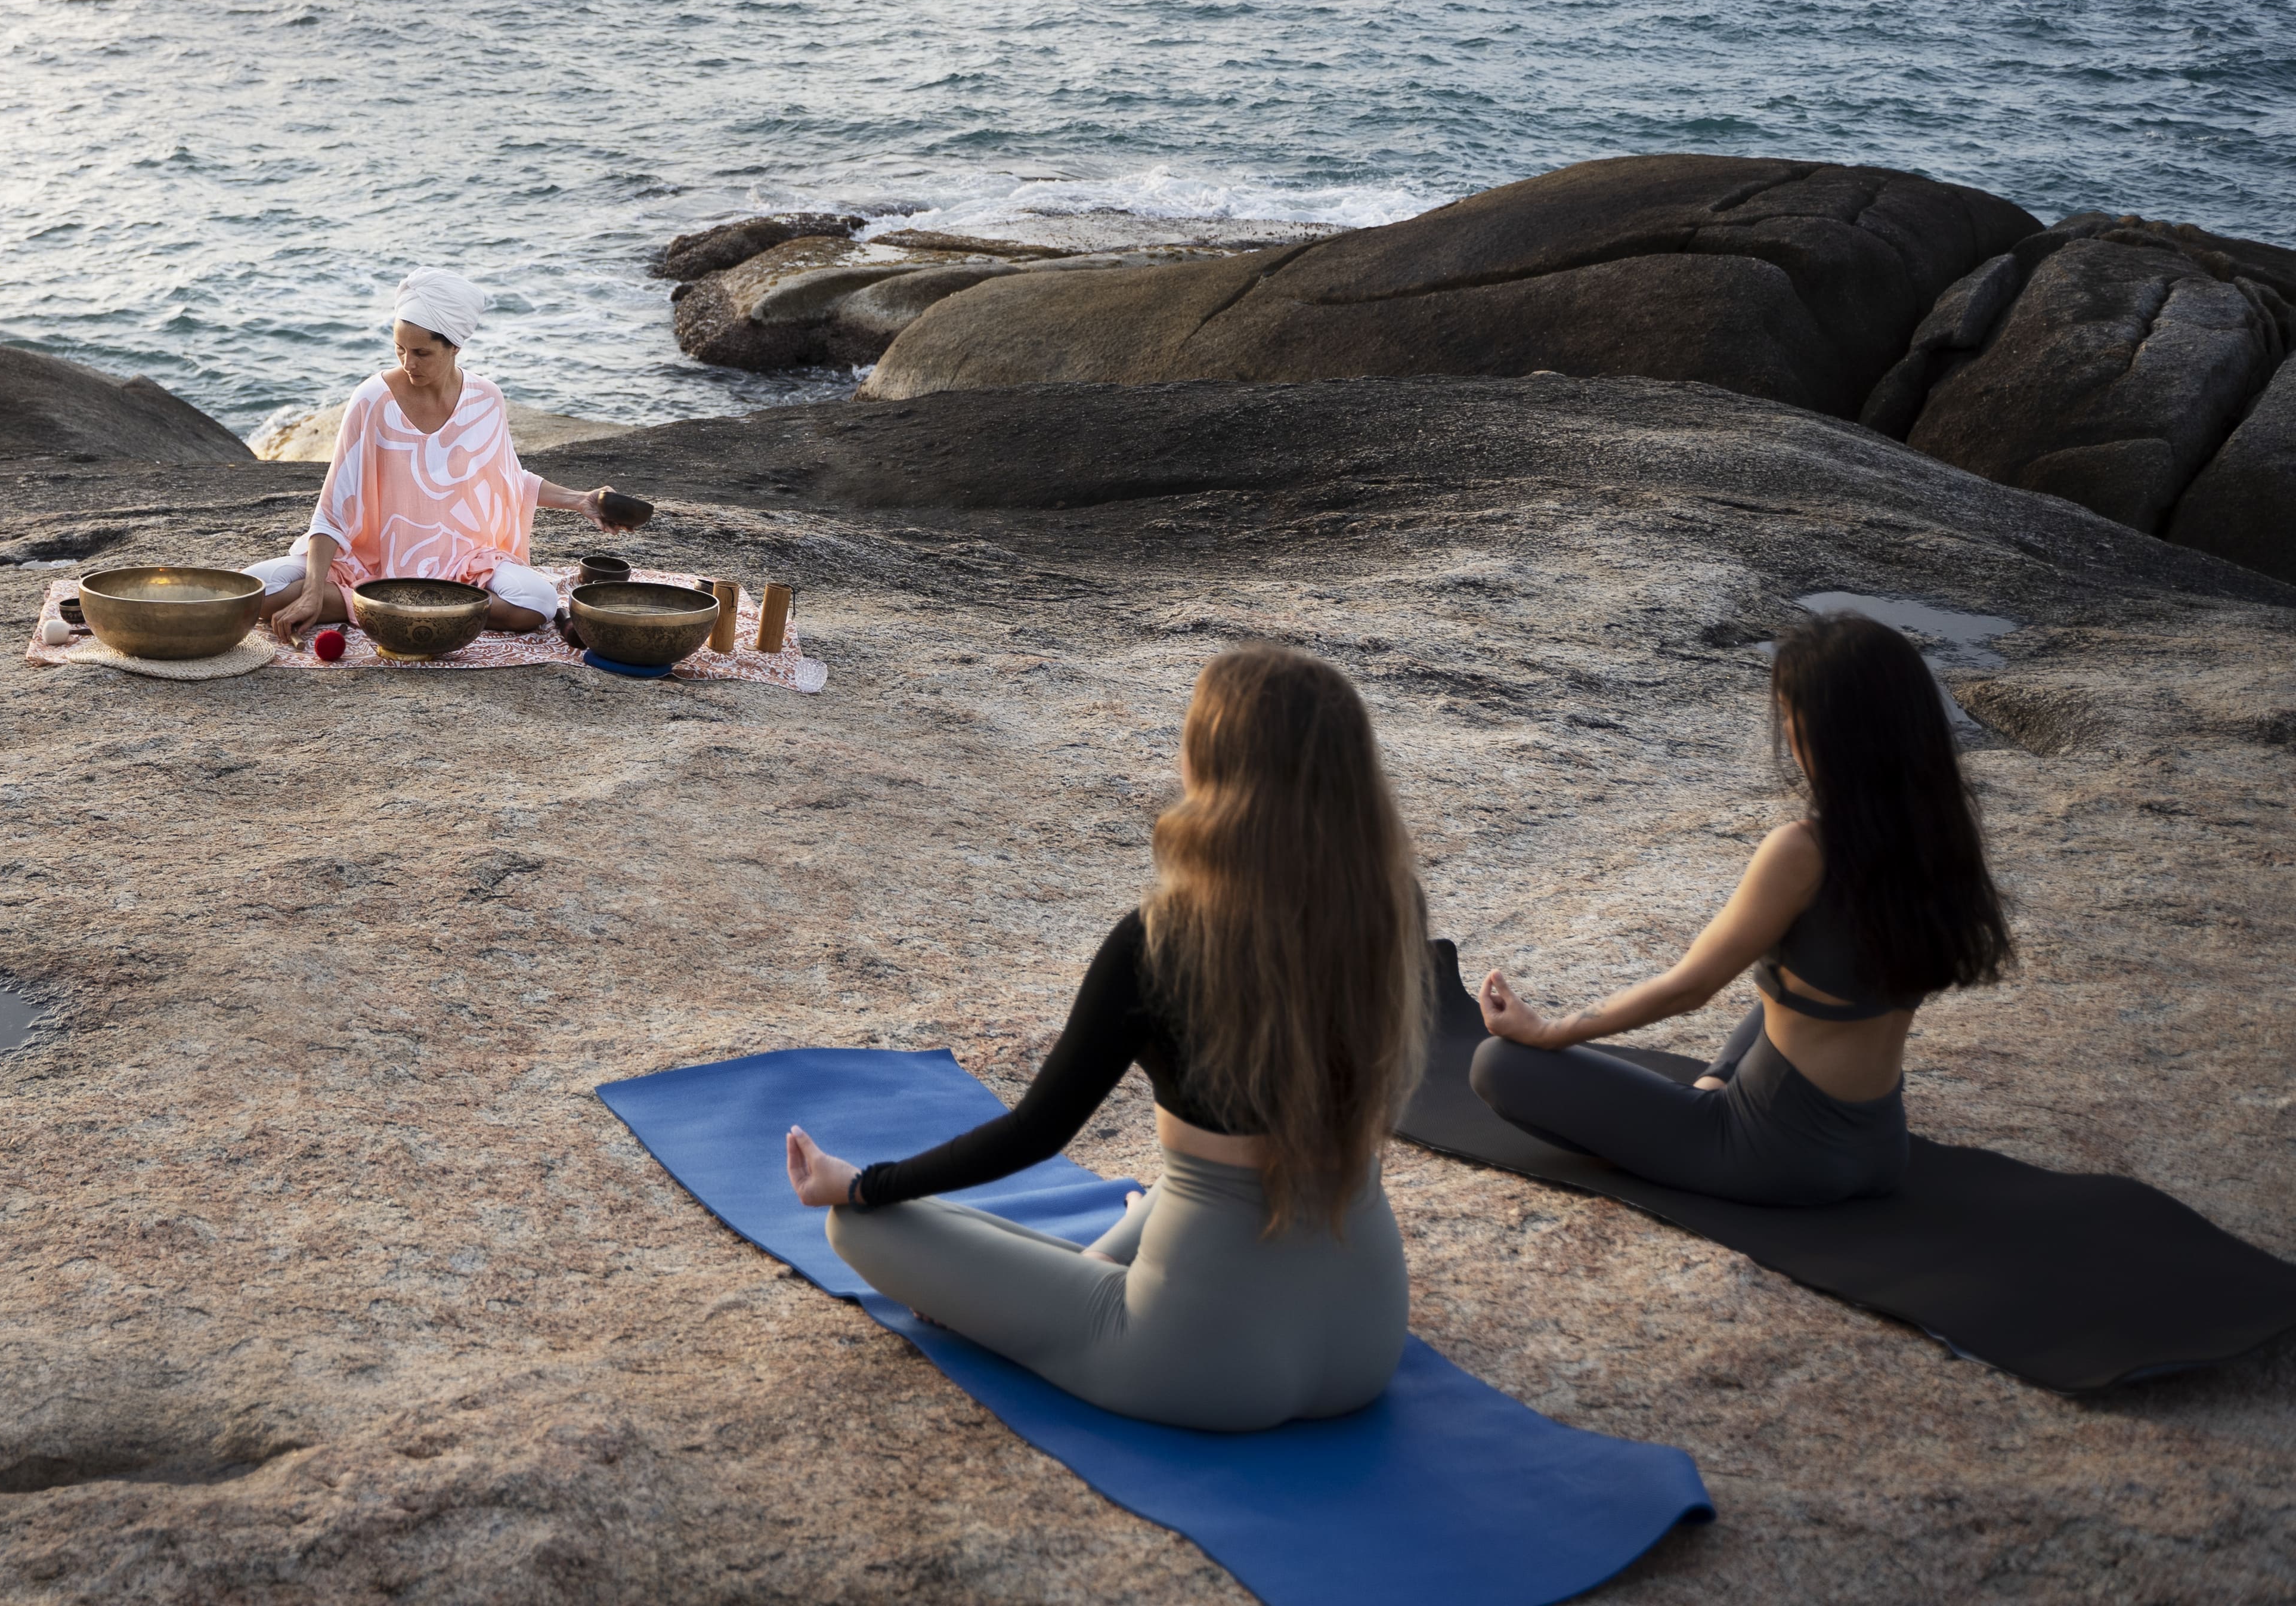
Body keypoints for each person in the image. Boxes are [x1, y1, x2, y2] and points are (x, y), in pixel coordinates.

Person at [782, 646, 1431, 1432]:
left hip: (1196, 1362)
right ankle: (1112, 1253)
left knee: (858, 1229)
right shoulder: (1389, 917)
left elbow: (1035, 1133)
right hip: (1367, 1342)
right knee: (1176, 1190)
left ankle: (1092, 1270)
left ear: (1213, 770)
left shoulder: (1158, 940)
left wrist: (858, 1185)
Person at [1469, 611, 2014, 1206]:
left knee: (1498, 1065)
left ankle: (1689, 1124)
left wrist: (1547, 1030)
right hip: (1881, 1148)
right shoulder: (1938, 836)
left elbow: (1689, 988)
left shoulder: (1804, 850)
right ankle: (1703, 1095)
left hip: (1771, 1153)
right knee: (1781, 996)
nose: (1785, 730)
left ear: (1830, 731)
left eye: (1789, 714)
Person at [256, 267, 640, 643]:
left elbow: (507, 479)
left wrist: (581, 501)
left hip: (463, 566)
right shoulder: (372, 399)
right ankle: (378, 602)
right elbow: (335, 504)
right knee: (254, 590)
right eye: (400, 350)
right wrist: (309, 591)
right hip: (370, 561)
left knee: (537, 603)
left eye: (422, 352)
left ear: (454, 345)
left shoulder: (486, 399)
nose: (409, 364)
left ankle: (380, 606)